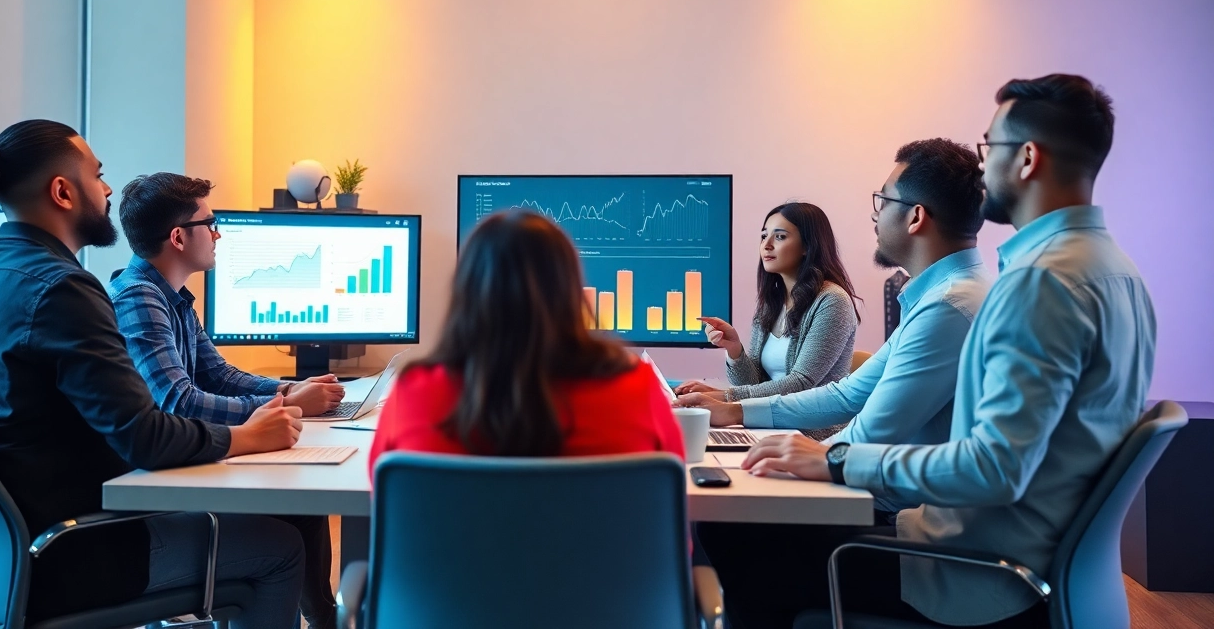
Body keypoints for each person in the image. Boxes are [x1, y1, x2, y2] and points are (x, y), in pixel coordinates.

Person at [700, 74, 1153, 628]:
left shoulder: (1038, 284)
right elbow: (852, 394)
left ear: (1028, 158)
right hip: (1023, 562)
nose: (982, 171)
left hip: (975, 573)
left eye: (991, 148)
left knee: (742, 546)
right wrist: (739, 411)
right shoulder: (1116, 272)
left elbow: (995, 466)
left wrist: (835, 458)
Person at [0, 120, 306, 627]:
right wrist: (244, 437)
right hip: (72, 551)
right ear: (62, 191)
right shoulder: (61, 289)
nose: (107, 189)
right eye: (97, 174)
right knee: (281, 546)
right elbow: (144, 436)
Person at [678, 140, 990, 517]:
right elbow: (848, 395)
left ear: (916, 217)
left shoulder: (948, 306)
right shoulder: (941, 296)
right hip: (876, 490)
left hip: (894, 513)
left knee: (717, 522)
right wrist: (738, 411)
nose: (876, 217)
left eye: (884, 201)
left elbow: (871, 431)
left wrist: (813, 452)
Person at [110, 172, 345, 629]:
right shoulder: (138, 297)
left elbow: (217, 374)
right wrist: (285, 410)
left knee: (305, 502)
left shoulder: (172, 296)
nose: (218, 233)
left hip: (182, 469)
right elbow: (177, 401)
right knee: (290, 527)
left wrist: (285, 391)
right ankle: (323, 619)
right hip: (158, 490)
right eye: (210, 222)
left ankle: (324, 619)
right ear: (178, 237)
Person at [370, 209, 684, 468]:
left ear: (467, 292)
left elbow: (384, 495)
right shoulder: (637, 390)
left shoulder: (413, 393)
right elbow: (669, 510)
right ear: (570, 291)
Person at [675, 202, 860, 438]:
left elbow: (800, 383)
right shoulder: (770, 303)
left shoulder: (832, 301)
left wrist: (724, 398)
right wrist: (734, 350)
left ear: (807, 245)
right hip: (767, 426)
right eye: (764, 236)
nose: (767, 245)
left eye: (780, 236)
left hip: (812, 434)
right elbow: (755, 381)